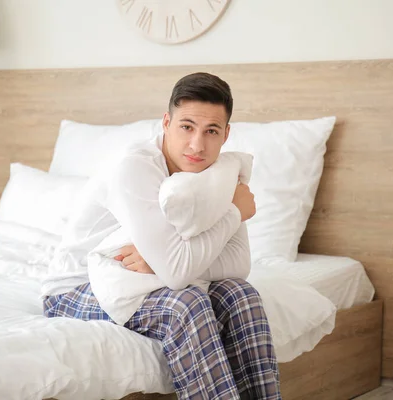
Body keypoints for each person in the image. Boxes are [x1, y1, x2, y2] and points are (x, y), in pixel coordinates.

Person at [41, 72, 281, 399]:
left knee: (240, 294)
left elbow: (238, 264)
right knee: (187, 302)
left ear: (226, 135)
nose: (197, 144)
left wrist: (164, 261)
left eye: (211, 131)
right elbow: (177, 274)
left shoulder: (218, 173)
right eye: (186, 127)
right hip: (77, 287)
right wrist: (234, 212)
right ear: (166, 122)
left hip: (140, 280)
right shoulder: (134, 168)